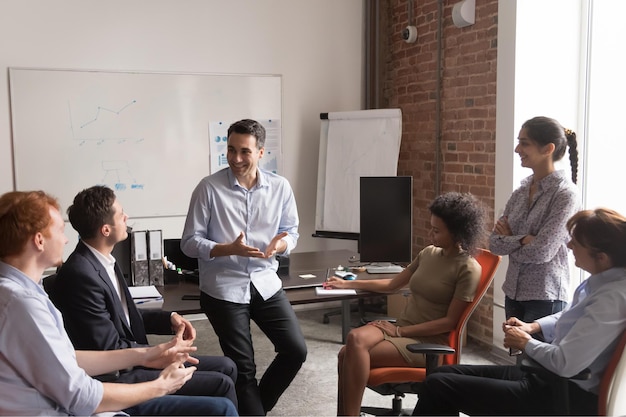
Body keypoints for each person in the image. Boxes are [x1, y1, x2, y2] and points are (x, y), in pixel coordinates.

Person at [0, 190, 238, 416]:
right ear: (39, 241)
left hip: (80, 393)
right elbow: (80, 395)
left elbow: (68, 357)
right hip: (82, 399)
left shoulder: (23, 291)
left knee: (226, 371)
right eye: (60, 231)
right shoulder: (24, 304)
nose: (64, 239)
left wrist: (148, 353)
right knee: (222, 404)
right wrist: (161, 385)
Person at [413, 207, 626, 416]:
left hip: (560, 394)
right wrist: (533, 326)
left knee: (438, 384)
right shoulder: (600, 282)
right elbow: (570, 315)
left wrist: (525, 342)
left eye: (576, 243)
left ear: (602, 257)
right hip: (545, 378)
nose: (569, 245)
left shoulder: (611, 299)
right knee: (442, 374)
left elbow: (564, 363)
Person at [181, 118, 307, 416]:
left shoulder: (280, 187)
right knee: (244, 369)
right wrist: (226, 249)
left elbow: (292, 231)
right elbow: (189, 243)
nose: (236, 159)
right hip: (223, 287)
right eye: (231, 150)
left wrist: (281, 244)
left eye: (245, 152)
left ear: (261, 152)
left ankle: (252, 410)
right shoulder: (208, 188)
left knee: (295, 350)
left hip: (265, 282)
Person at [325, 192, 487, 416]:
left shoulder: (468, 268)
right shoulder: (429, 253)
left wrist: (401, 330)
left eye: (437, 230)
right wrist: (345, 284)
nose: (431, 234)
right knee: (352, 342)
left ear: (458, 231)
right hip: (400, 328)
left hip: (425, 343)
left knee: (348, 355)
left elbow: (449, 322)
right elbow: (392, 284)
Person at [490, 116, 580, 324]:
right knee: (517, 356)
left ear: (548, 149)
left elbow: (542, 251)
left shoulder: (565, 195)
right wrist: (523, 239)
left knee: (533, 357)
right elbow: (494, 243)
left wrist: (511, 239)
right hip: (513, 292)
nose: (516, 149)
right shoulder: (521, 191)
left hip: (545, 297)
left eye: (524, 143)